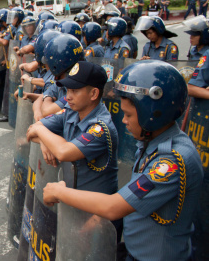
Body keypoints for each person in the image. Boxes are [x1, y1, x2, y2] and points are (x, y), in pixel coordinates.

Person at [42, 61, 203, 261]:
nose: (124, 120)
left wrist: (59, 192)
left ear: (152, 114)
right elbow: (134, 192)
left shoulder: (172, 162)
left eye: (128, 114)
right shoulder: (151, 143)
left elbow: (113, 207)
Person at [26, 61, 120, 233]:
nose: (67, 96)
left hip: (95, 219)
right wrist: (46, 140)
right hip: (72, 206)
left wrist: (42, 132)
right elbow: (31, 132)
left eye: (74, 91)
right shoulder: (72, 110)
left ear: (93, 93)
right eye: (68, 90)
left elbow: (63, 152)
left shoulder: (100, 127)